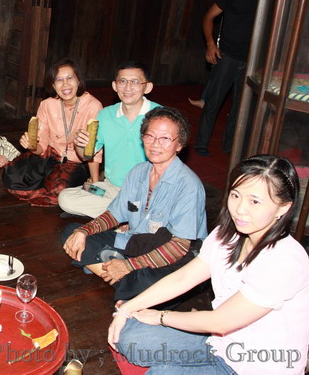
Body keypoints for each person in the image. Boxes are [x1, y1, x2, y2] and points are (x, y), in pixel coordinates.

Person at [109, 155, 309, 374]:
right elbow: (183, 278)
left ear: (283, 207)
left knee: (161, 371)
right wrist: (127, 309)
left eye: (254, 201)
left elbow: (219, 322)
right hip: (218, 345)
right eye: (235, 195)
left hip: (256, 365)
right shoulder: (227, 236)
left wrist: (160, 316)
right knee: (129, 335)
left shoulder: (285, 260)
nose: (240, 209)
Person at [62, 106, 208, 302]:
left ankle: (120, 275)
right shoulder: (138, 172)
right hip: (136, 241)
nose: (155, 144)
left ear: (179, 144)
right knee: (72, 234)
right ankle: (125, 283)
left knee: (149, 282)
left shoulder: (189, 185)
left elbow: (180, 247)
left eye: (165, 138)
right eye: (150, 136)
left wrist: (129, 266)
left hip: (173, 254)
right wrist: (84, 231)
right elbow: (114, 214)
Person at [58, 61, 160, 218]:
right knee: (65, 197)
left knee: (151, 204)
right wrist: (80, 144)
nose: (127, 87)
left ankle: (121, 214)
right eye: (122, 81)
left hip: (146, 190)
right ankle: (126, 214)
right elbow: (86, 155)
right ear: (114, 85)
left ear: (147, 87)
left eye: (135, 82)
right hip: (111, 187)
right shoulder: (105, 115)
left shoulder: (160, 116)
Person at [3, 58, 102, 206]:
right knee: (11, 174)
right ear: (54, 86)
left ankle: (63, 184)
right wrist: (31, 145)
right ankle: (50, 182)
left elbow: (95, 150)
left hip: (76, 163)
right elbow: (41, 147)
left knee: (59, 190)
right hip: (50, 156)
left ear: (78, 80)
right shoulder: (47, 105)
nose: (65, 84)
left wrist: (95, 182)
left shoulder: (93, 106)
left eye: (70, 78)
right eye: (59, 80)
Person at [194, 0, 265, 156]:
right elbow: (208, 17)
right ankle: (201, 143)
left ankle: (229, 145)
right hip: (227, 56)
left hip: (252, 61)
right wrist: (210, 45)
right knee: (213, 101)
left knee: (241, 106)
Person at [188, 0, 254, 110]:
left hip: (251, 56)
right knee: (217, 79)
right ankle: (205, 101)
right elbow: (208, 17)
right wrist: (211, 44)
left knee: (241, 103)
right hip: (228, 50)